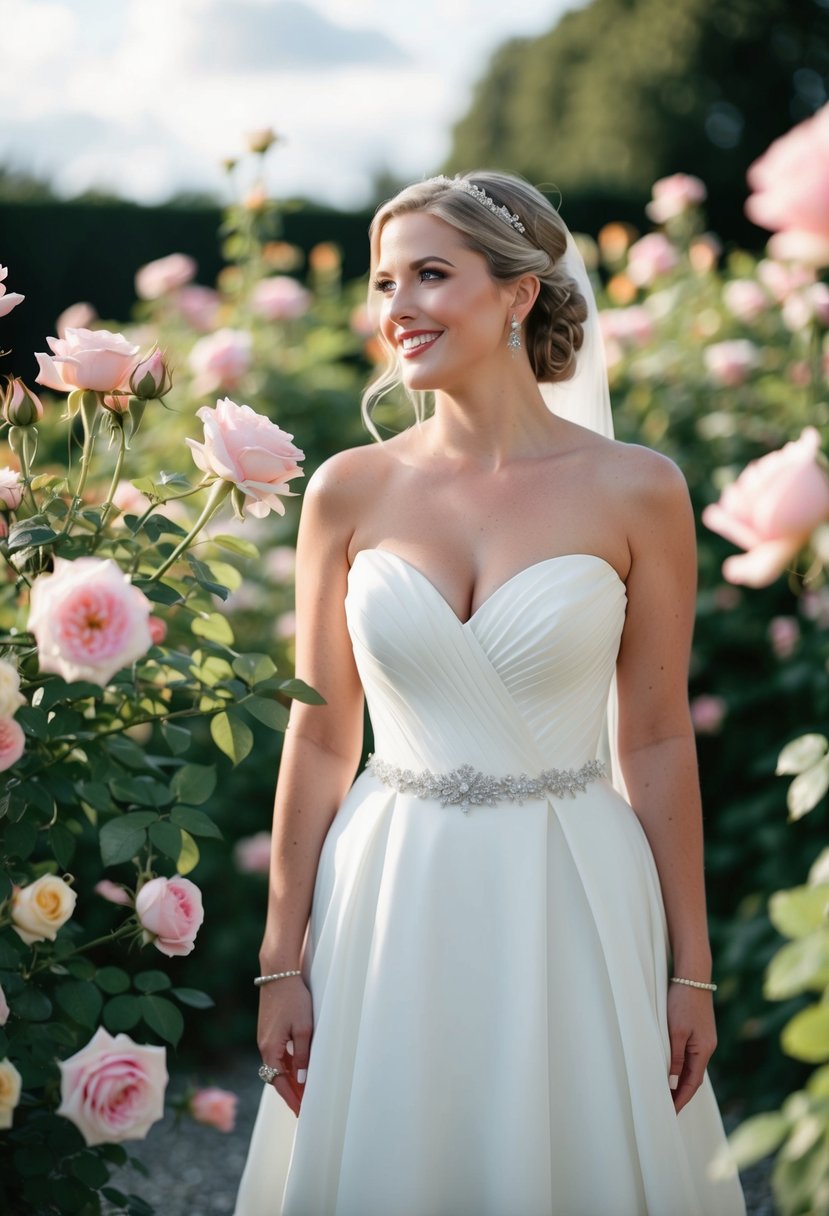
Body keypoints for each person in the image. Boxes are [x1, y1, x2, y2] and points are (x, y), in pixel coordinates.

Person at [234, 171, 746, 1216]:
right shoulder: (346, 490)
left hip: (573, 885)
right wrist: (280, 956)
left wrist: (688, 968)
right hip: (390, 881)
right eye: (385, 282)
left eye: (431, 274)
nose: (397, 309)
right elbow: (323, 739)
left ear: (517, 295)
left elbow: (651, 741)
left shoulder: (638, 489)